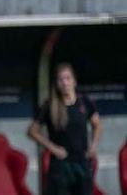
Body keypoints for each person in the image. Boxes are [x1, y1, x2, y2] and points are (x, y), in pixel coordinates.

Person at [28, 63, 102, 195]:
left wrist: (93, 146)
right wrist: (53, 148)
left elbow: (97, 125)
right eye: (60, 79)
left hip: (82, 161)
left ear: (74, 81)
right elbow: (32, 131)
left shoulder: (84, 102)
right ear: (56, 83)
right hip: (61, 164)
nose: (65, 83)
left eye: (68, 78)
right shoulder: (49, 105)